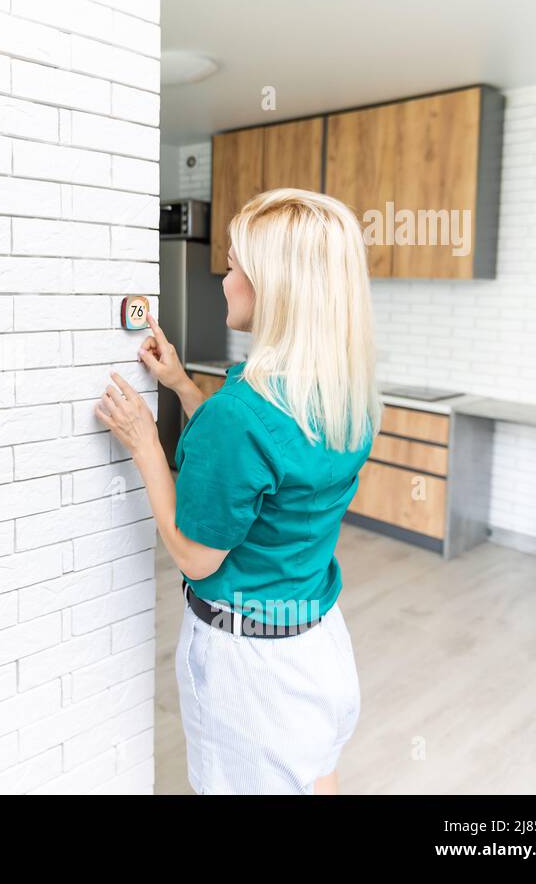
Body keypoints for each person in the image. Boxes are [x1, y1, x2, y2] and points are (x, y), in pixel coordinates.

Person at [95, 188, 380, 794]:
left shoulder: (242, 415)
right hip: (318, 646)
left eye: (232, 265)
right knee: (314, 774)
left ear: (271, 286)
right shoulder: (346, 396)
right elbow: (268, 470)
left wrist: (145, 442)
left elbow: (196, 556)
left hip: (252, 668)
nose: (223, 279)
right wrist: (180, 386)